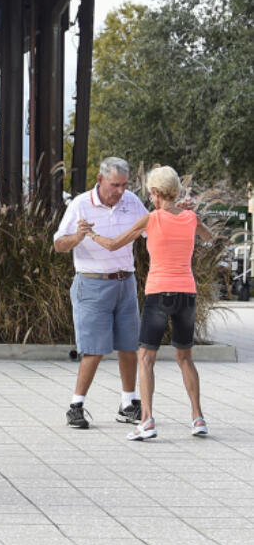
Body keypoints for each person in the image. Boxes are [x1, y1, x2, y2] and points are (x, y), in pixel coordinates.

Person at [89, 166, 214, 440]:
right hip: (187, 295)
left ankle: (146, 420)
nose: (150, 199)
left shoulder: (151, 219)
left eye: (151, 194)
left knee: (146, 357)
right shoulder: (191, 218)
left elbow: (112, 244)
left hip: (159, 293)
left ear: (156, 193)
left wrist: (90, 234)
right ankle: (198, 418)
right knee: (185, 358)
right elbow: (208, 236)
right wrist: (189, 212)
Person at [53, 156, 147, 429]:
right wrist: (79, 237)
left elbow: (152, 230)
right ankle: (76, 406)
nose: (120, 191)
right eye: (114, 185)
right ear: (100, 180)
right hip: (92, 283)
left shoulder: (131, 201)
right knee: (93, 350)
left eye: (124, 185)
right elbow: (59, 244)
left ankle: (128, 404)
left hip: (125, 283)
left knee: (129, 346)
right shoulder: (80, 204)